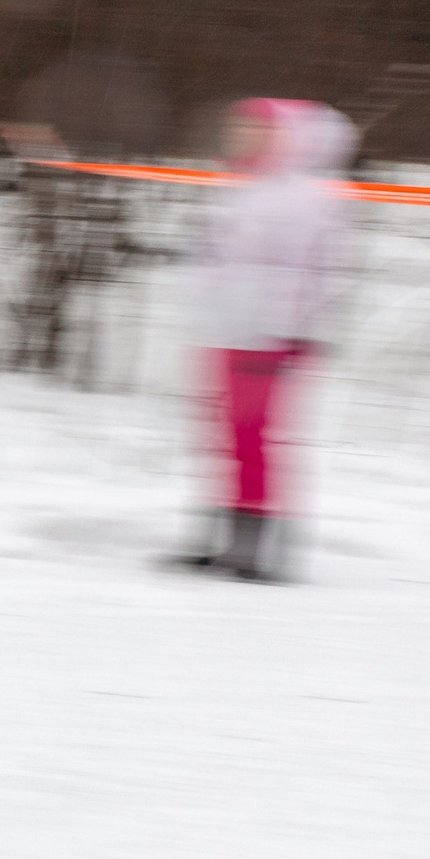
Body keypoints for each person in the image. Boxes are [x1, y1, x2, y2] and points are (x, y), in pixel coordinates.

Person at [169, 97, 354, 582]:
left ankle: (257, 549)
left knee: (255, 439)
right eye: (240, 128)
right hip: (227, 329)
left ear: (288, 139)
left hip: (273, 336)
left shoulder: (309, 198)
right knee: (225, 436)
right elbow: (213, 256)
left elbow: (324, 273)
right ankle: (223, 538)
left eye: (256, 130)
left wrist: (300, 333)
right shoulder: (239, 188)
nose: (241, 137)